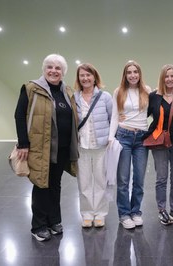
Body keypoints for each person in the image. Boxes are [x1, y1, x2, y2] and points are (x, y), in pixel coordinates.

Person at [14, 54, 79, 241]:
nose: (54, 71)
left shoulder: (67, 91)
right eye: (50, 67)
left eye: (58, 68)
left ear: (63, 72)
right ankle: (39, 226)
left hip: (63, 148)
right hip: (40, 148)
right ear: (44, 69)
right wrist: (23, 143)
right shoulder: (31, 89)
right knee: (41, 184)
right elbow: (19, 116)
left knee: (55, 185)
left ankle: (54, 220)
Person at [109, 60, 151, 229]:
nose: (133, 75)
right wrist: (111, 138)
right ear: (125, 75)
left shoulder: (147, 91)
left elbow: (155, 112)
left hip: (142, 138)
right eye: (129, 72)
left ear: (139, 74)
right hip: (123, 136)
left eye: (135, 72)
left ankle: (136, 212)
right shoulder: (119, 91)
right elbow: (114, 115)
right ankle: (124, 214)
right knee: (123, 179)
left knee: (139, 179)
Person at [145, 64, 173, 225]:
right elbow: (143, 114)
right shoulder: (154, 96)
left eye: (172, 76)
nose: (170, 79)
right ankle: (162, 210)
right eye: (167, 76)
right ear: (162, 78)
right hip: (159, 143)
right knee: (161, 178)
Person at [74, 63, 113, 228]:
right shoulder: (74, 97)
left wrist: (110, 139)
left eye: (88, 75)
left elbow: (113, 119)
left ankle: (100, 214)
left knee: (100, 181)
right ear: (79, 78)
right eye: (82, 75)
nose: (85, 78)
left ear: (94, 77)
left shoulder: (105, 97)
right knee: (84, 183)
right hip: (81, 146)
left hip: (101, 147)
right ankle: (87, 214)